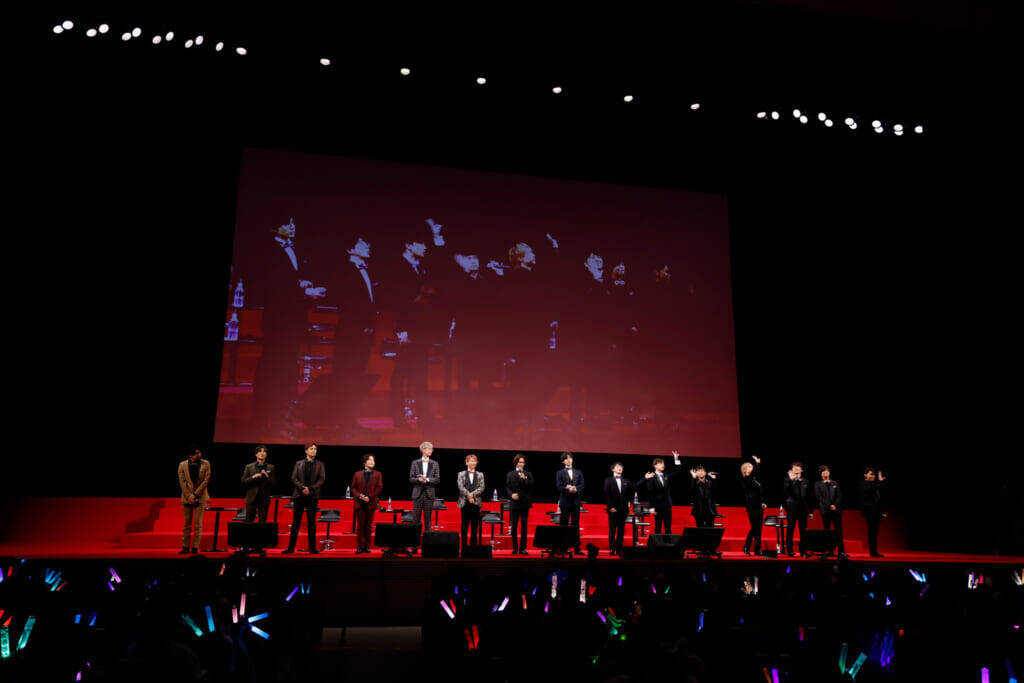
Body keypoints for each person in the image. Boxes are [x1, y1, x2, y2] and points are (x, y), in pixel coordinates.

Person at [283, 442, 325, 554]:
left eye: (315, 449)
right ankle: (290, 548)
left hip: (312, 495)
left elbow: (322, 479)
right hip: (299, 495)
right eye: (311, 449)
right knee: (296, 522)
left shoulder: (320, 464)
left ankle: (312, 548)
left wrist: (310, 489)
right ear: (306, 450)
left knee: (312, 523)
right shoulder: (299, 463)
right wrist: (302, 488)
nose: (314, 451)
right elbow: (294, 478)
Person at [177, 444, 211, 554]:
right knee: (187, 524)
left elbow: (206, 480)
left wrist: (195, 495)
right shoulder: (182, 465)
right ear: (190, 455)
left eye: (199, 452)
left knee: (198, 524)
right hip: (187, 497)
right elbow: (182, 482)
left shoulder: (206, 463)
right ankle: (185, 547)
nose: (199, 455)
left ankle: (195, 547)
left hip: (200, 497)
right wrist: (189, 496)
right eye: (196, 453)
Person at [643, 451, 683, 534]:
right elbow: (650, 493)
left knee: (668, 528)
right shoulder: (651, 477)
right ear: (655, 465)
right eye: (661, 463)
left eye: (663, 463)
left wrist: (676, 459)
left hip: (667, 505)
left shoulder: (666, 476)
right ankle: (657, 542)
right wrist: (651, 507)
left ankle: (668, 542)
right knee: (658, 527)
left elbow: (677, 472)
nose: (663, 465)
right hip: (657, 506)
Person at [351, 453, 383, 554]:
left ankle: (367, 546)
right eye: (370, 460)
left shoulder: (378, 474)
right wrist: (360, 496)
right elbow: (353, 488)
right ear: (365, 462)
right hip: (360, 503)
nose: (372, 462)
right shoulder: (357, 474)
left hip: (371, 502)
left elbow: (379, 487)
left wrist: (369, 497)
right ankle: (360, 546)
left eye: (373, 460)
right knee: (360, 526)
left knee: (368, 526)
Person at [408, 441, 441, 534]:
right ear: (423, 450)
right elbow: (411, 478)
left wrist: (428, 480)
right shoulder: (415, 463)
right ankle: (414, 541)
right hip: (417, 494)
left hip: (429, 494)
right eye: (429, 449)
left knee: (428, 519)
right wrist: (420, 480)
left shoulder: (435, 463)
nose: (431, 451)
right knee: (415, 519)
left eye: (431, 449)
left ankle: (428, 541)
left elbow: (437, 479)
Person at [555, 452, 584, 554]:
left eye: (570, 458)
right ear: (563, 461)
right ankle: (562, 548)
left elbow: (582, 485)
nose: (569, 460)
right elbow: (559, 486)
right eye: (567, 459)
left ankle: (577, 548)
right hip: (565, 502)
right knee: (564, 524)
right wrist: (567, 488)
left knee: (576, 525)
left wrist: (575, 488)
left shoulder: (578, 472)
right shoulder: (559, 473)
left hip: (575, 501)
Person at [782, 461, 813, 556]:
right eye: (794, 467)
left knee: (803, 530)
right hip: (792, 507)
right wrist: (791, 480)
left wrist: (810, 511)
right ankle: (790, 550)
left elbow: (809, 497)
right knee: (790, 529)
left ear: (801, 470)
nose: (796, 468)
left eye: (798, 467)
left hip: (803, 508)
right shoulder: (788, 480)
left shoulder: (806, 481)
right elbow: (784, 492)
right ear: (791, 470)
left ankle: (803, 551)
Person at [603, 462, 634, 556]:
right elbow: (606, 494)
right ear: (613, 469)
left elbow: (631, 491)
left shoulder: (626, 481)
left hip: (623, 509)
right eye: (618, 466)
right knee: (612, 530)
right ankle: (612, 548)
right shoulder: (608, 480)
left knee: (621, 530)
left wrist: (629, 501)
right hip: (613, 509)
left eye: (621, 466)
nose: (620, 468)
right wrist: (610, 507)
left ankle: (619, 548)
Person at [506, 454, 535, 555]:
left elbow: (531, 487)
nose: (521, 464)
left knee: (524, 526)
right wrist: (511, 495)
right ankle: (515, 547)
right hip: (514, 503)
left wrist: (525, 479)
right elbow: (507, 488)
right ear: (516, 463)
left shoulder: (528, 474)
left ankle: (523, 548)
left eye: (523, 462)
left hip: (525, 503)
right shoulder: (510, 474)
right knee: (514, 527)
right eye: (519, 462)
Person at [814, 465, 845, 557]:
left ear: (829, 473)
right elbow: (819, 497)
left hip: (836, 510)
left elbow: (839, 496)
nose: (825, 474)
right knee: (826, 531)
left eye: (827, 472)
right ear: (821, 474)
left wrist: (835, 505)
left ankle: (841, 551)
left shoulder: (835, 483)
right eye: (823, 472)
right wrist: (829, 505)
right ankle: (828, 551)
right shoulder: (817, 484)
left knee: (838, 531)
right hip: (825, 510)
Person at [241, 445, 276, 523]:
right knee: (249, 520)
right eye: (260, 451)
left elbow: (273, 483)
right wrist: (253, 477)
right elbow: (243, 481)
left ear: (266, 454)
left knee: (262, 521)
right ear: (256, 454)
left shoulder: (271, 467)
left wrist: (267, 477)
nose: (262, 453)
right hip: (251, 497)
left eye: (264, 451)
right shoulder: (249, 466)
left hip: (264, 497)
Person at [457, 454, 486, 547]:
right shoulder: (461, 474)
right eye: (470, 461)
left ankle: (473, 547)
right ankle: (464, 546)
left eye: (474, 461)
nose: (472, 463)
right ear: (466, 463)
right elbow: (460, 487)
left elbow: (482, 488)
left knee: (474, 526)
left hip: (476, 503)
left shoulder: (480, 474)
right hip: (464, 502)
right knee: (464, 525)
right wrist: (469, 496)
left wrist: (472, 495)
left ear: (476, 463)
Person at [740, 455, 766, 555]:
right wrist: (757, 464)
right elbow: (754, 472)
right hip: (752, 506)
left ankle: (757, 550)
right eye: (750, 467)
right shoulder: (746, 479)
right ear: (745, 470)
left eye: (752, 466)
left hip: (759, 506)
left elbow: (760, 493)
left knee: (759, 529)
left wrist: (762, 502)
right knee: (755, 528)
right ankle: (746, 546)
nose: (752, 468)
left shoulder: (754, 480)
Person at [859, 467, 887, 557]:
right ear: (865, 475)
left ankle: (874, 551)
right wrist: (879, 481)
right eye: (871, 474)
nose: (873, 476)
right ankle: (872, 552)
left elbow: (879, 499)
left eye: (874, 474)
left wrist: (882, 511)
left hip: (876, 511)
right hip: (869, 511)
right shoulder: (863, 484)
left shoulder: (874, 485)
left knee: (875, 532)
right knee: (872, 531)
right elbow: (869, 490)